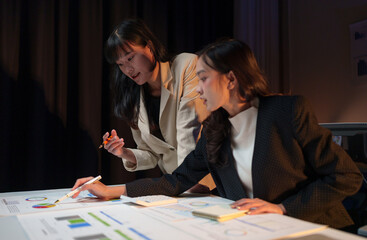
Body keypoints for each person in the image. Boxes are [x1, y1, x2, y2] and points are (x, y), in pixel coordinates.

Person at [73, 39, 362, 229]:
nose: (197, 89)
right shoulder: (215, 129)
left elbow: (346, 176)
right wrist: (111, 191)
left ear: (232, 79)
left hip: (315, 228)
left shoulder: (286, 112)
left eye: (202, 78)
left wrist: (284, 209)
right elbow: (176, 181)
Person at [102, 19, 208, 176]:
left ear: (150, 47)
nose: (128, 69)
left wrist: (186, 179)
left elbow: (190, 129)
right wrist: (122, 152)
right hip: (177, 183)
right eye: (120, 64)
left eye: (130, 58)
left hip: (204, 178)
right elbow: (150, 154)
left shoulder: (185, 65)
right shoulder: (133, 97)